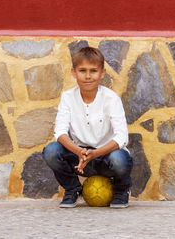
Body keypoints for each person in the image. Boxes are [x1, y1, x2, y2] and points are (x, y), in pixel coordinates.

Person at [42, 47, 133, 208]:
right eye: (82, 70)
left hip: (106, 156)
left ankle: (121, 190)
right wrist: (79, 151)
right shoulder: (68, 97)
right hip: (80, 158)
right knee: (51, 151)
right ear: (74, 72)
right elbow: (60, 132)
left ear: (102, 73)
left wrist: (96, 153)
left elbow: (121, 137)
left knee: (120, 159)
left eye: (93, 71)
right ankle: (72, 189)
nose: (88, 76)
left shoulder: (111, 99)